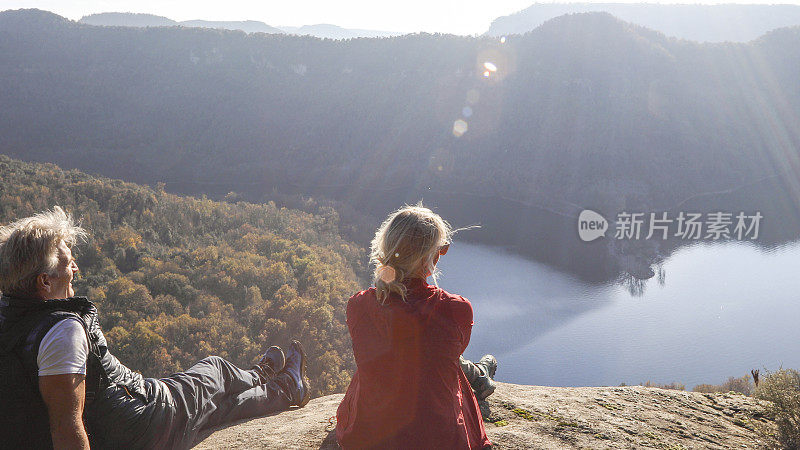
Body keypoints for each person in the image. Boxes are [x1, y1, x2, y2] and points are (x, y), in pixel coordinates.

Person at [0, 207, 310, 449]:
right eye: (69, 264)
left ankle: (282, 388)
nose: (76, 269)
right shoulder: (61, 331)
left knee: (218, 409)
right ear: (45, 281)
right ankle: (258, 375)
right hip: (143, 420)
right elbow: (66, 427)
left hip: (119, 426)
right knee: (215, 370)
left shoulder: (9, 318)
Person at [336, 204, 495, 449]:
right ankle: (481, 376)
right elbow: (453, 350)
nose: (441, 255)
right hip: (440, 439)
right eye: (441, 250)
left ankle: (481, 375)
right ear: (427, 257)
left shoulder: (358, 305)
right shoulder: (456, 308)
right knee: (451, 367)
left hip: (369, 438)